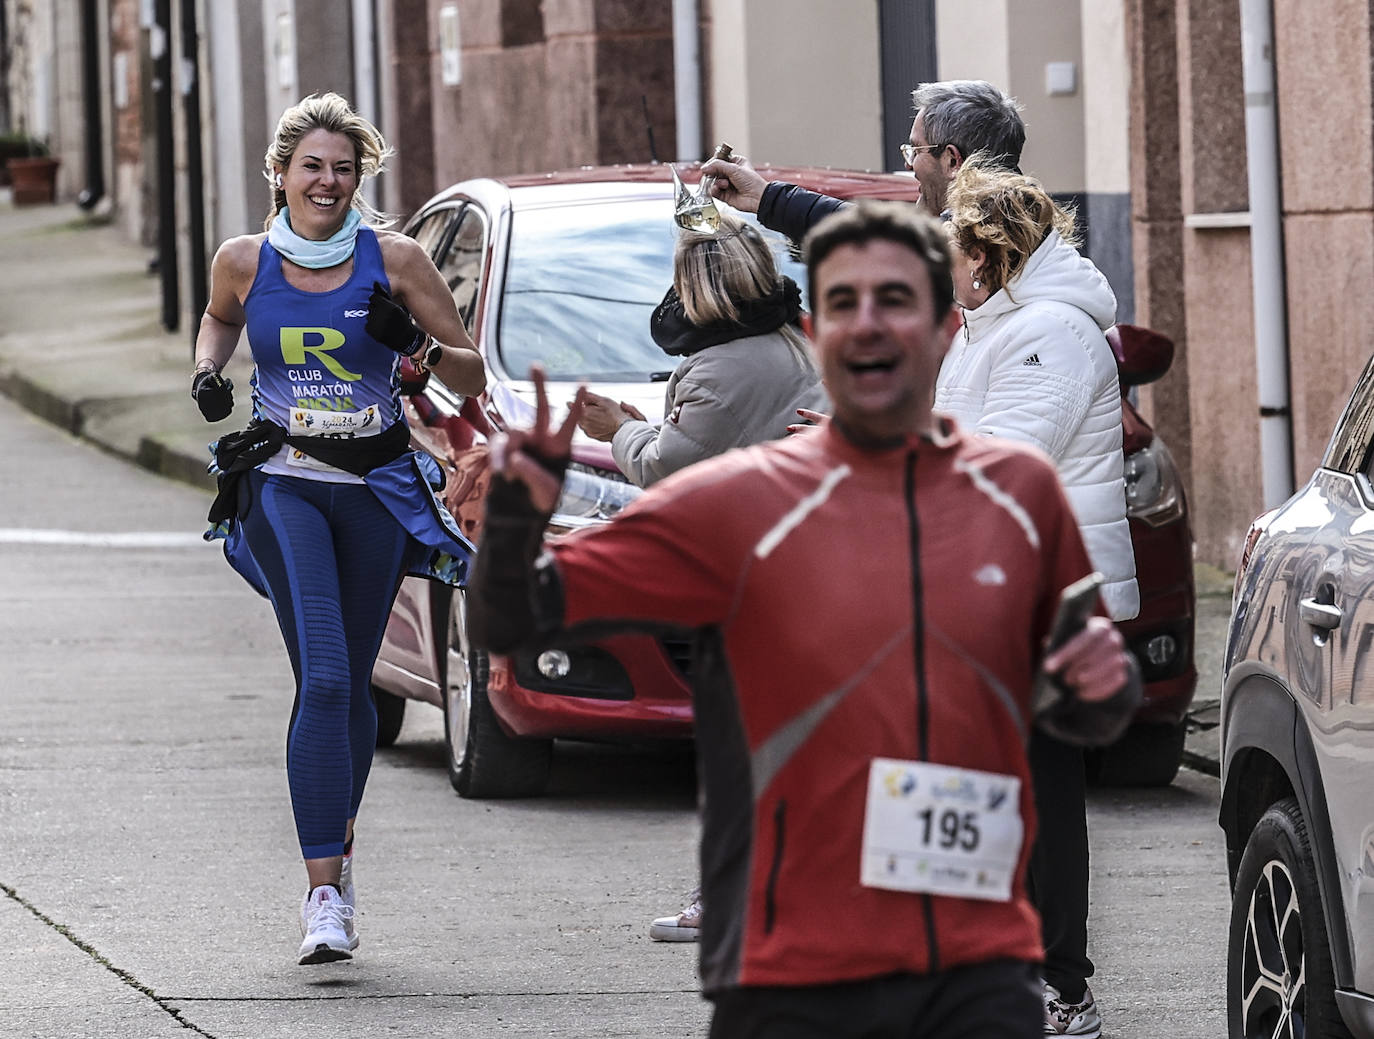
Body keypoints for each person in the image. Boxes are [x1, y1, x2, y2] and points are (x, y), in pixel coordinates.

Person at [467, 200, 1141, 1039]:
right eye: (844, 303)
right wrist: (508, 529)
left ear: (943, 329)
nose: (869, 327)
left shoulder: (1018, 491)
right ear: (816, 335)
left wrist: (1092, 682)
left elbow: (1094, 703)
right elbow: (517, 614)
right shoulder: (735, 500)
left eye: (896, 301)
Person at [190, 92, 486, 965]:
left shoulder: (392, 260)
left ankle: (338, 851)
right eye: (312, 166)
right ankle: (325, 895)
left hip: (375, 488)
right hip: (284, 484)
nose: (327, 181)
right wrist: (208, 368)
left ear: (360, 178)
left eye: (343, 168)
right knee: (323, 676)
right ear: (280, 173)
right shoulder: (243, 261)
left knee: (352, 680)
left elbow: (470, 374)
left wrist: (420, 349)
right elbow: (218, 317)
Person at [576, 211, 828, 942]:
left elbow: (669, 468)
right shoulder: (789, 344)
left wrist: (615, 431)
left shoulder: (722, 366)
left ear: (702, 289)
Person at [936, 160, 1140, 1038]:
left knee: (1042, 797)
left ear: (988, 255)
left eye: (951, 244)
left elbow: (1001, 460)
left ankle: (1063, 986)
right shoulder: (988, 326)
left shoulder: (1050, 330)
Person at [578, 211, 827, 490]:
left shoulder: (714, 375)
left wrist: (619, 428)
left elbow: (663, 472)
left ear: (687, 283)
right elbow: (733, 434)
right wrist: (649, 432)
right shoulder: (802, 335)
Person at [698, 80, 1024, 240]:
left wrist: (767, 198)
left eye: (915, 150)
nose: (908, 165)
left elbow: (880, 237)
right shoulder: (1007, 230)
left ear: (952, 161)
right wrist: (764, 197)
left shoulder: (981, 248)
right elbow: (873, 231)